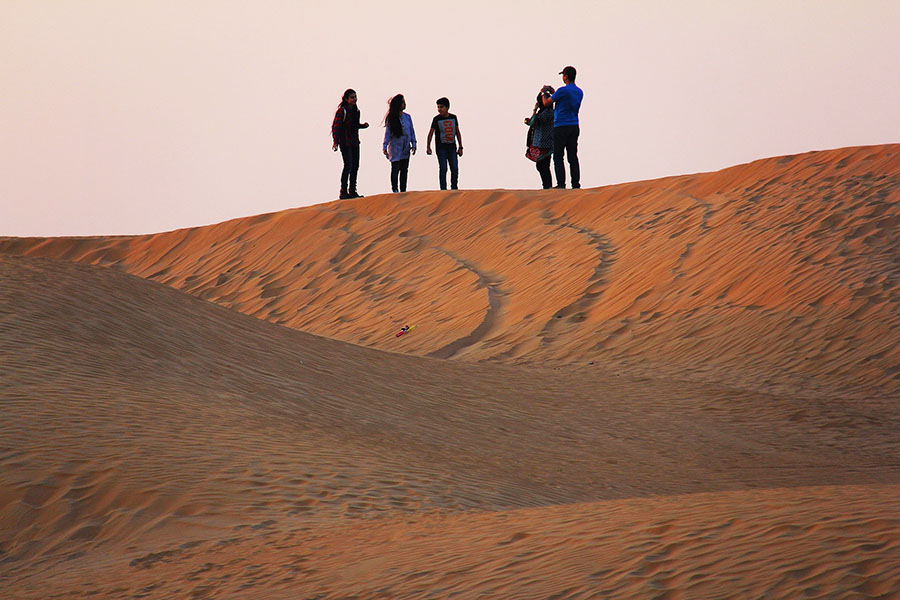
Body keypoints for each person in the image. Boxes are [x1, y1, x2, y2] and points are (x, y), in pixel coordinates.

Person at [331, 89, 369, 199]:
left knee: (355, 166)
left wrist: (363, 126)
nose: (354, 99)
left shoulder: (356, 111)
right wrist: (335, 142)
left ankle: (352, 191)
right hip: (345, 142)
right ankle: (343, 191)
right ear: (347, 99)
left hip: (354, 142)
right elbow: (336, 127)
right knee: (348, 165)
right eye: (352, 97)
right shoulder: (342, 111)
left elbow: (354, 125)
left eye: (355, 97)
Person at [551, 66, 584, 189]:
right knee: (572, 156)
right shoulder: (579, 91)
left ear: (566, 76)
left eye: (563, 75)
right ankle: (575, 184)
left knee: (558, 156)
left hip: (561, 125)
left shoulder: (562, 91)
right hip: (574, 125)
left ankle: (561, 184)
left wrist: (545, 93)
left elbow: (547, 102)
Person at [426, 97, 463, 190]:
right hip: (441, 148)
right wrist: (428, 146)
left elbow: (457, 132)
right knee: (443, 168)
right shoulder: (436, 119)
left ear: (447, 108)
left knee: (454, 168)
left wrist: (460, 147)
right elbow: (430, 133)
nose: (439, 109)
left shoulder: (453, 118)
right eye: (438, 107)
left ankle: (454, 188)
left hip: (452, 147)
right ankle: (443, 190)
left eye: (441, 107)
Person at [382, 94, 417, 193]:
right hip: (395, 147)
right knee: (395, 168)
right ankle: (395, 189)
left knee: (404, 169)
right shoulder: (392, 118)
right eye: (402, 102)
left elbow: (411, 131)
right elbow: (387, 134)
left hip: (406, 147)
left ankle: (403, 190)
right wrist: (384, 146)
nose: (404, 104)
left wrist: (414, 144)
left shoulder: (407, 117)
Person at [524, 85, 555, 189]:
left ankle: (547, 188)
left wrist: (534, 110)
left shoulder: (547, 112)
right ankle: (547, 187)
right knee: (543, 166)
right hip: (546, 144)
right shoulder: (551, 112)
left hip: (544, 145)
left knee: (543, 166)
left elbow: (532, 122)